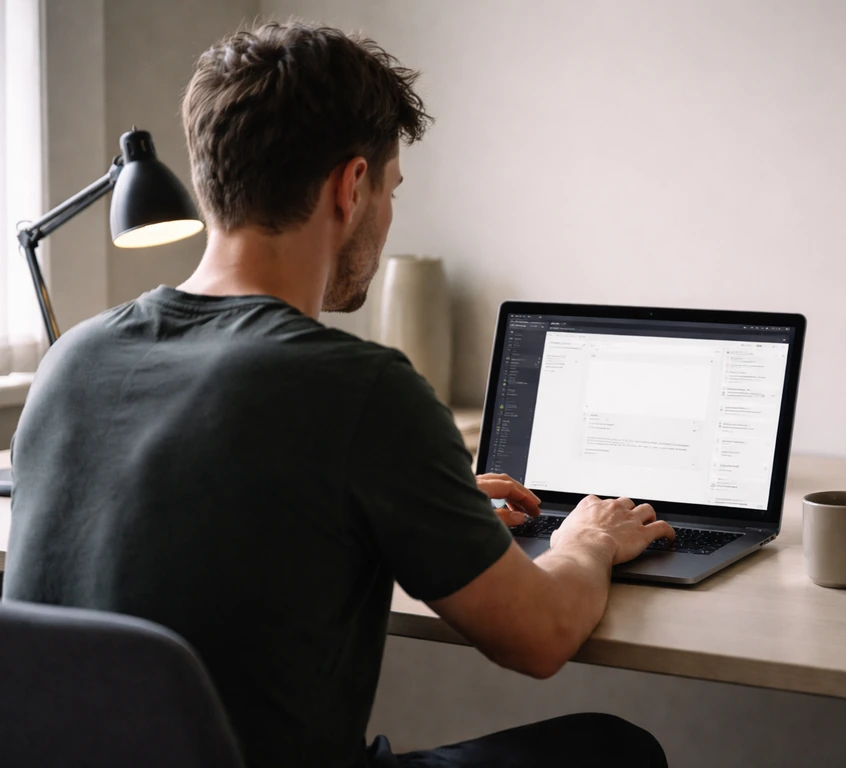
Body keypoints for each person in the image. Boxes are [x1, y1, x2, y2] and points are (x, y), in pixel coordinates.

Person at [3, 21, 672, 768]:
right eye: (390, 189)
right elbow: (541, 636)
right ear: (351, 188)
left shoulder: (72, 362)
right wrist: (588, 541)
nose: (387, 216)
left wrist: (422, 498)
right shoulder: (361, 391)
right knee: (614, 749)